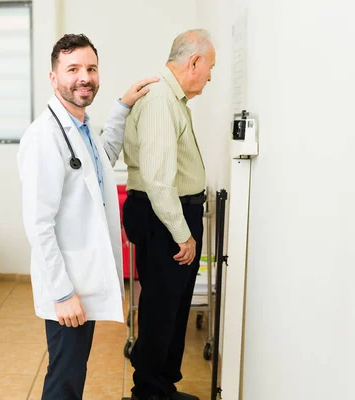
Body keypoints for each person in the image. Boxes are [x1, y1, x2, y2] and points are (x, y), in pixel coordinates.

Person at [17, 33, 157, 400]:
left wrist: (123, 106)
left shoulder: (80, 129)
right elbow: (38, 224)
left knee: (72, 371)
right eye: (73, 69)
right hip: (67, 286)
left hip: (81, 280)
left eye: (91, 69)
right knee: (64, 378)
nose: (84, 77)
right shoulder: (44, 137)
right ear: (54, 78)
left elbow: (104, 158)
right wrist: (62, 293)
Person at [122, 29, 216, 400]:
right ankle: (149, 391)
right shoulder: (161, 99)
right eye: (210, 67)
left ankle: (161, 385)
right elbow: (159, 180)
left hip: (166, 215)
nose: (210, 77)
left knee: (171, 306)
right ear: (194, 62)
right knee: (163, 308)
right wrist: (183, 234)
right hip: (163, 217)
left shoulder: (171, 99)